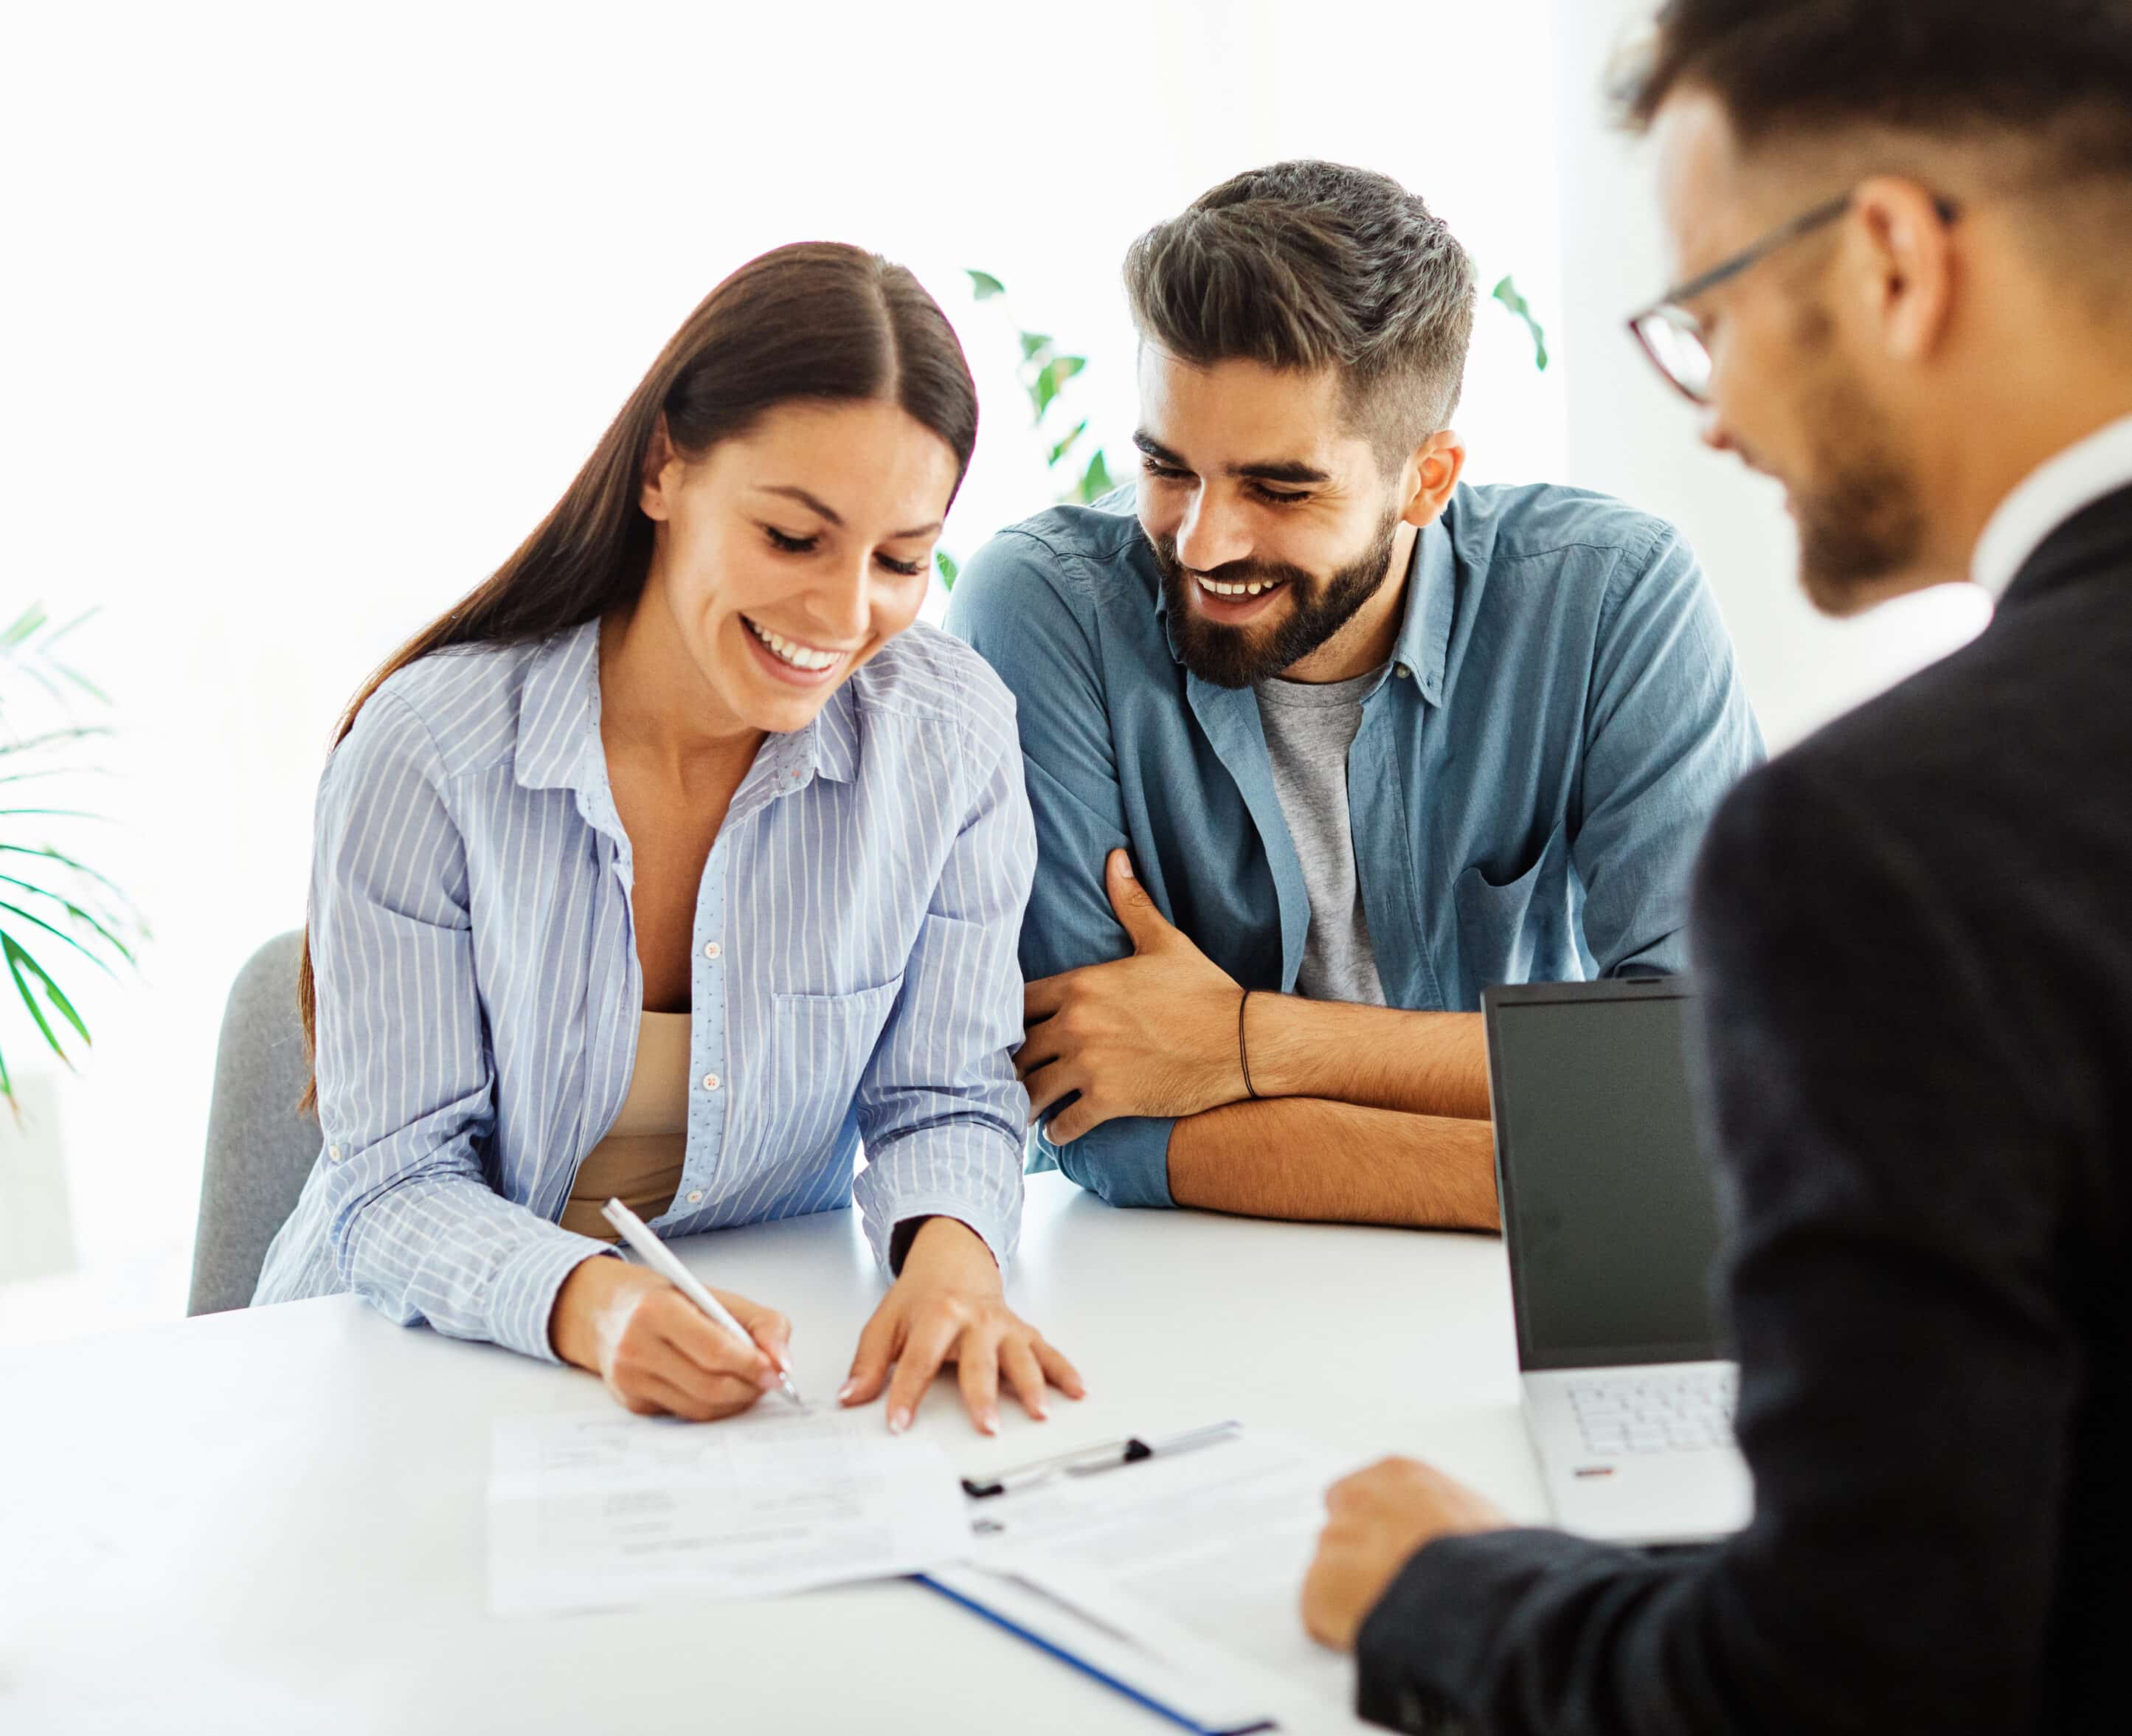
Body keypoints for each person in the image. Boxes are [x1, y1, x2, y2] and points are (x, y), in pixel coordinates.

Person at [1301, 2, 2132, 1729]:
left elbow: (1847, 1681)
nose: (1711, 416)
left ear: (1892, 263)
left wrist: (1451, 1596)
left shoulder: (1884, 848)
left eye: (1708, 316)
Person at [255, 243, 1081, 1437]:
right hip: (408, 1370)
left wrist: (950, 1265)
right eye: (794, 539)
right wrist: (596, 1310)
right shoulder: (427, 753)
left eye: (902, 559)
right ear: (663, 469)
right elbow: (393, 1184)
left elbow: (946, 1093)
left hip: (754, 1373)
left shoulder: (948, 738)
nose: (847, 616)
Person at [946, 161, 1761, 1227]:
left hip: (1504, 1296)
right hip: (1186, 1280)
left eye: (1278, 488)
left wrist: (1240, 1039)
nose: (1203, 540)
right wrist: (1573, 1165)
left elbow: (1702, 1056)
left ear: (1425, 478)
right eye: (1168, 466)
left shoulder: (1609, 596)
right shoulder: (1046, 608)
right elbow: (1093, 1101)